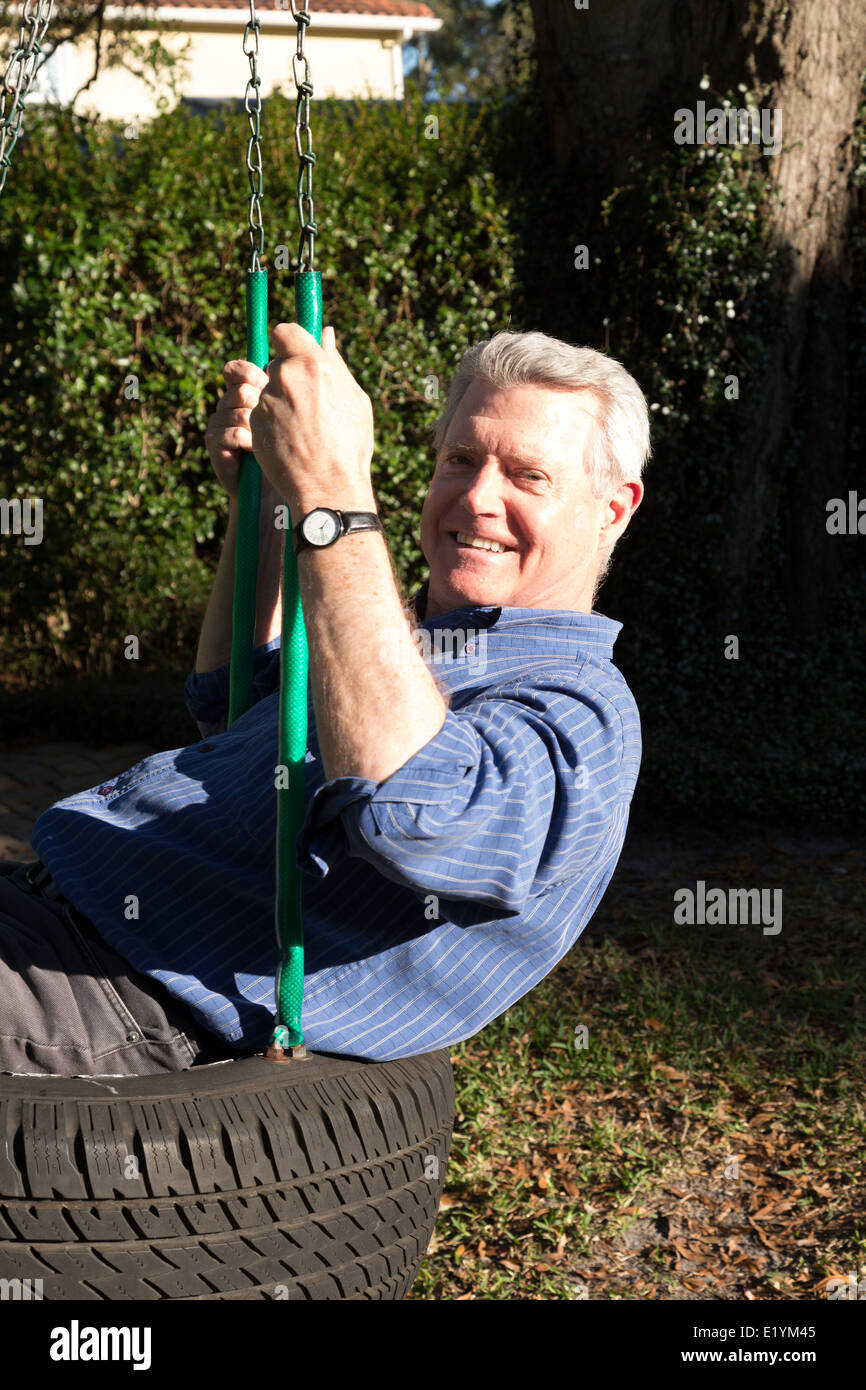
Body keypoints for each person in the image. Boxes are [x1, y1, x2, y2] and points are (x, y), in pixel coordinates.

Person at [0, 328, 647, 1076]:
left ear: (613, 508)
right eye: (461, 461)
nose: (477, 498)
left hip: (123, 997)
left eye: (528, 477)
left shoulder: (581, 708)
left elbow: (416, 812)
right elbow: (234, 698)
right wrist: (273, 499)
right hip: (51, 908)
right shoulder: (414, 647)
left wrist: (333, 492)